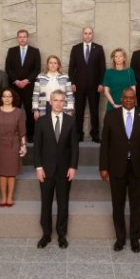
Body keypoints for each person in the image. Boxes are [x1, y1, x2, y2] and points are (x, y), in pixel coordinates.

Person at [99, 88, 140, 253]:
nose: (129, 100)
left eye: (132, 98)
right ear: (121, 98)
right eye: (126, 98)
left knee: (137, 205)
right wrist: (103, 167)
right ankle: (120, 238)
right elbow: (105, 145)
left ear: (136, 99)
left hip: (138, 167)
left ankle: (135, 238)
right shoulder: (111, 116)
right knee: (118, 204)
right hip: (117, 167)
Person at [34, 90, 79, 249]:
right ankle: (46, 234)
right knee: (45, 202)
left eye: (61, 100)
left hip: (64, 170)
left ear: (64, 102)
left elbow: (74, 147)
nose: (59, 103)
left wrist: (73, 166)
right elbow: (37, 147)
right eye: (56, 100)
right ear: (50, 102)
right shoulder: (41, 121)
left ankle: (61, 234)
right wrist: (38, 167)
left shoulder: (71, 121)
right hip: (46, 170)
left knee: (63, 202)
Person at [0, 89, 27, 207]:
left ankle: (10, 197)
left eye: (9, 96)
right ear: (1, 98)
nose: (7, 98)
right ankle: (3, 197)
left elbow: (22, 132)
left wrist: (24, 146)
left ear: (13, 98)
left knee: (11, 173)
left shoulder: (19, 112)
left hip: (13, 145)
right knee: (2, 173)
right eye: (4, 96)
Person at [68, 27, 106, 142]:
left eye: (90, 33)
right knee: (79, 110)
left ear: (92, 35)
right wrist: (72, 83)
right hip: (78, 86)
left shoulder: (98, 48)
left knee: (95, 111)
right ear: (82, 34)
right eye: (85, 33)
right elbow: (71, 67)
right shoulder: (76, 48)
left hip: (95, 86)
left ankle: (95, 134)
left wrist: (101, 83)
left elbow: (102, 68)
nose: (88, 35)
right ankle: (78, 134)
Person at [5, 28, 41, 137]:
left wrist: (27, 80)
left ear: (27, 38)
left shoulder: (35, 51)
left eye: (24, 37)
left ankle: (30, 135)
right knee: (14, 112)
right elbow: (8, 68)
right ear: (17, 38)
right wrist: (16, 81)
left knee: (30, 112)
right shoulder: (12, 51)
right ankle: (14, 134)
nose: (22, 39)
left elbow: (37, 69)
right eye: (20, 37)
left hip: (29, 87)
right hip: (14, 87)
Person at [33, 55, 75, 119]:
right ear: (47, 65)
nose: (53, 65)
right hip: (45, 106)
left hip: (61, 105)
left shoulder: (65, 77)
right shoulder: (40, 77)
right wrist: (35, 110)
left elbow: (70, 95)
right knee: (46, 127)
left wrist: (70, 110)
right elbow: (35, 95)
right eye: (51, 63)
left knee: (60, 127)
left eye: (55, 63)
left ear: (58, 65)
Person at [102, 48, 136, 112]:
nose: (118, 58)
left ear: (124, 58)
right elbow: (106, 91)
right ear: (113, 59)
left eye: (120, 56)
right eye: (116, 56)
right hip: (112, 105)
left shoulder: (130, 71)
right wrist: (113, 104)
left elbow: (133, 90)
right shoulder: (108, 72)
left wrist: (129, 103)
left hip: (128, 105)